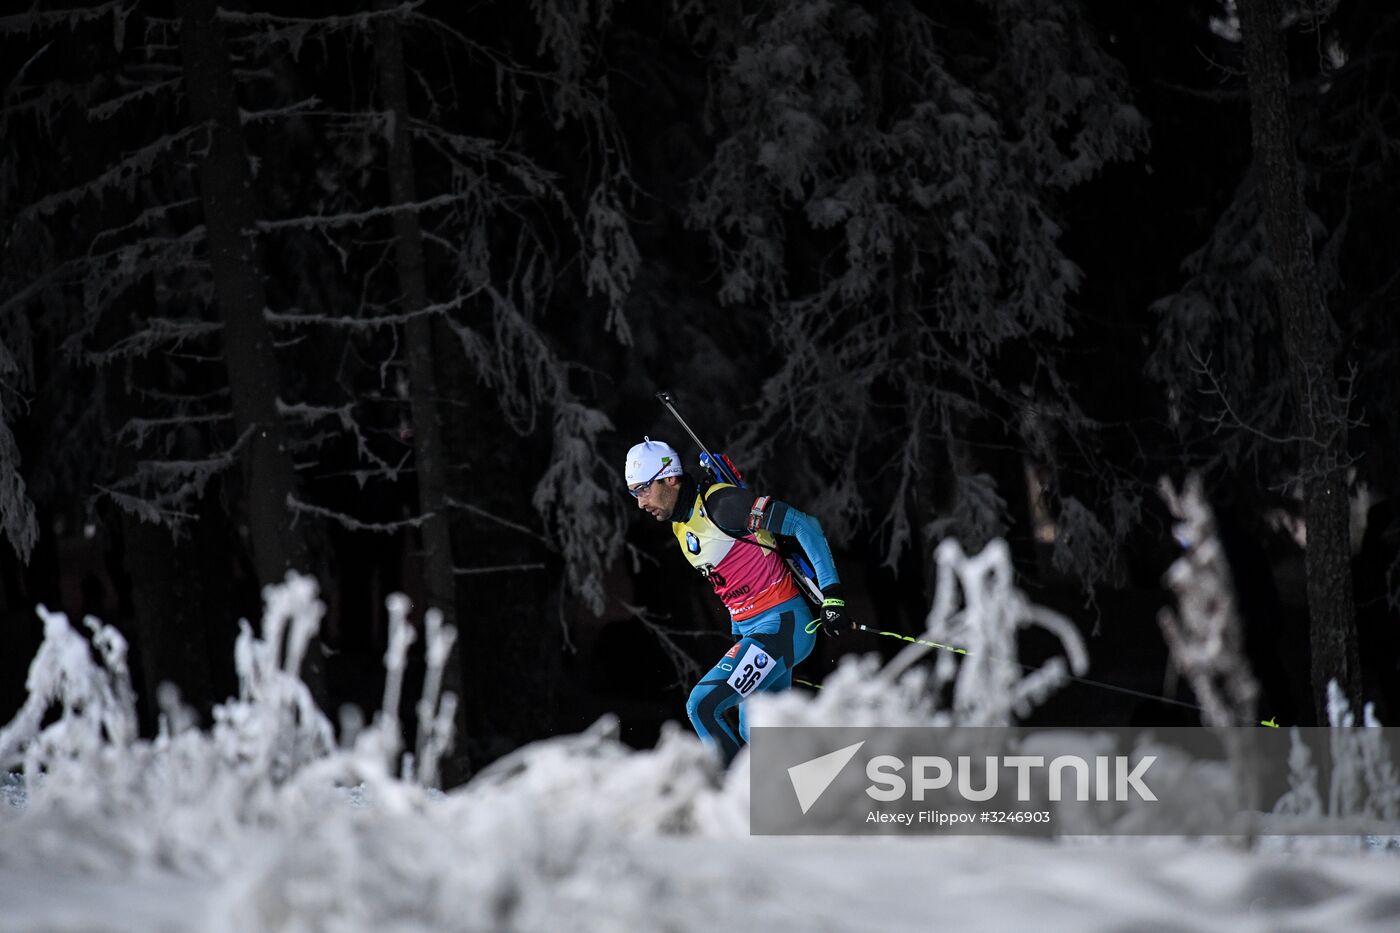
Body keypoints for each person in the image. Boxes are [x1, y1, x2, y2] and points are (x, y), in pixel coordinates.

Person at [624, 436, 852, 765]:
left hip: (783, 625)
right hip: (756, 633)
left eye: (643, 489)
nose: (640, 502)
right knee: (759, 736)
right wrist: (738, 630)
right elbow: (732, 579)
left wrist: (833, 596)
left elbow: (805, 525)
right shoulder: (681, 524)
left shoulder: (722, 505)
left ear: (669, 477)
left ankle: (738, 800)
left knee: (702, 705)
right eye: (634, 493)